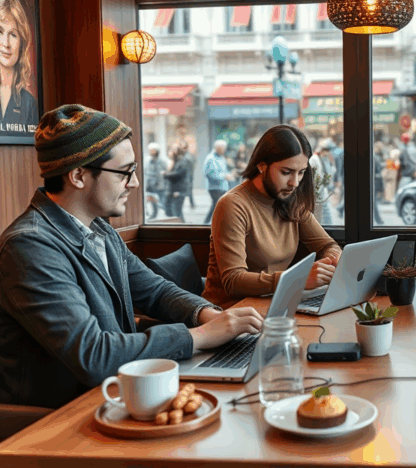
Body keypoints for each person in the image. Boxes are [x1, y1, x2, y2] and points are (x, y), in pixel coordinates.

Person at [0, 104, 264, 408]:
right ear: (78, 175)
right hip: (55, 421)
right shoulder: (30, 247)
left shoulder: (100, 229)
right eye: (125, 172)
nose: (135, 183)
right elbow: (93, 356)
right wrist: (201, 336)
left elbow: (154, 290)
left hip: (111, 396)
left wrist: (210, 316)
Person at [202, 124, 342, 309]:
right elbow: (234, 281)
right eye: (286, 172)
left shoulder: (291, 199)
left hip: (274, 304)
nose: (295, 183)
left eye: (301, 172)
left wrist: (332, 259)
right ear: (261, 166)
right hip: (230, 313)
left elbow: (327, 245)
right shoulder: (232, 205)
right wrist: (297, 279)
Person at [0, 0, 38, 137]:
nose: (6, 43)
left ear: (22, 43)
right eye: (0, 31)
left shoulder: (30, 104)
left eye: (13, 34)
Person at [202, 140, 233, 224]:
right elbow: (209, 174)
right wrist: (224, 176)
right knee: (217, 205)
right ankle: (207, 223)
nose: (224, 150)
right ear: (218, 148)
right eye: (223, 148)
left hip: (222, 186)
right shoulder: (211, 158)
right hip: (215, 187)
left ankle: (210, 223)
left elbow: (223, 170)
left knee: (217, 206)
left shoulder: (221, 157)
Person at [163, 143, 191, 223]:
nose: (171, 152)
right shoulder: (174, 161)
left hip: (178, 190)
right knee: (171, 211)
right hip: (172, 190)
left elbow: (179, 174)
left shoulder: (182, 161)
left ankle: (183, 228)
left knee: (177, 212)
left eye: (173, 150)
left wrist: (166, 174)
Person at [143, 142, 167, 220]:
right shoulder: (147, 160)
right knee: (152, 201)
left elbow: (165, 171)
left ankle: (165, 213)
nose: (151, 152)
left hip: (159, 184)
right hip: (149, 184)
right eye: (150, 150)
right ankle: (154, 214)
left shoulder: (162, 161)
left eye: (153, 150)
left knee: (161, 202)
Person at [178, 139, 196, 209]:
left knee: (188, 191)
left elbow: (190, 167)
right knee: (187, 191)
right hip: (183, 177)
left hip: (188, 177)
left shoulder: (188, 156)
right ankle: (191, 204)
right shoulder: (182, 156)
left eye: (184, 147)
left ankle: (192, 203)